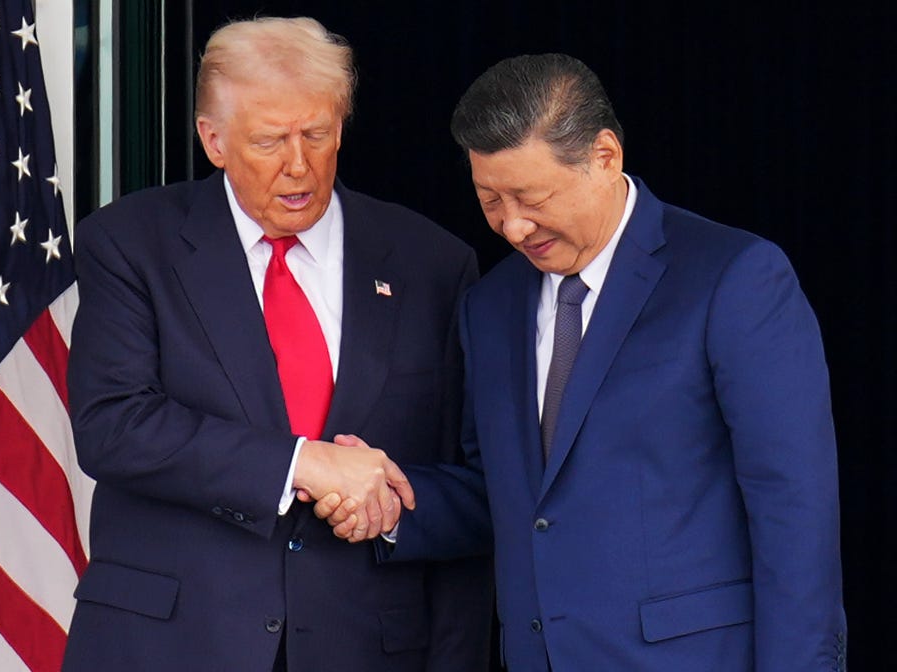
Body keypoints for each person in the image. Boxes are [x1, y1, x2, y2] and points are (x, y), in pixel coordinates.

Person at [319, 53, 847, 671]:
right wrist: (388, 502)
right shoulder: (489, 307)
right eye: (490, 199)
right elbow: (506, 495)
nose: (513, 226)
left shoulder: (733, 278)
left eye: (530, 196)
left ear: (604, 156)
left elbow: (795, 511)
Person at [61, 16, 492, 672]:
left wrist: (391, 512)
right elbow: (113, 426)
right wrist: (302, 465)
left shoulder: (431, 263)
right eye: (268, 141)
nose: (298, 165)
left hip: (366, 649)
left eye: (316, 134)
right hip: (171, 646)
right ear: (213, 140)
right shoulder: (129, 244)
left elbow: (477, 489)